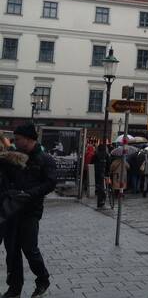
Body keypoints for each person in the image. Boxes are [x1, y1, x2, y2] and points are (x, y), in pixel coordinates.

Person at [3, 123, 57, 298]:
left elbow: (50, 183)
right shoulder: (12, 157)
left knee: (30, 249)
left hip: (30, 211)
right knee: (12, 251)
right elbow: (5, 180)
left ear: (28, 139)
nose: (15, 141)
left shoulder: (45, 159)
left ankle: (43, 279)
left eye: (18, 139)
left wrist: (30, 194)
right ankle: (14, 288)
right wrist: (9, 192)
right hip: (11, 210)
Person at [91, 144, 110, 208]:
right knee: (102, 185)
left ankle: (100, 199)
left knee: (99, 185)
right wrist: (107, 172)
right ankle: (102, 199)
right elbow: (108, 164)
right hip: (103, 172)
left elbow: (91, 163)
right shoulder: (106, 155)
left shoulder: (95, 155)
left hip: (97, 172)